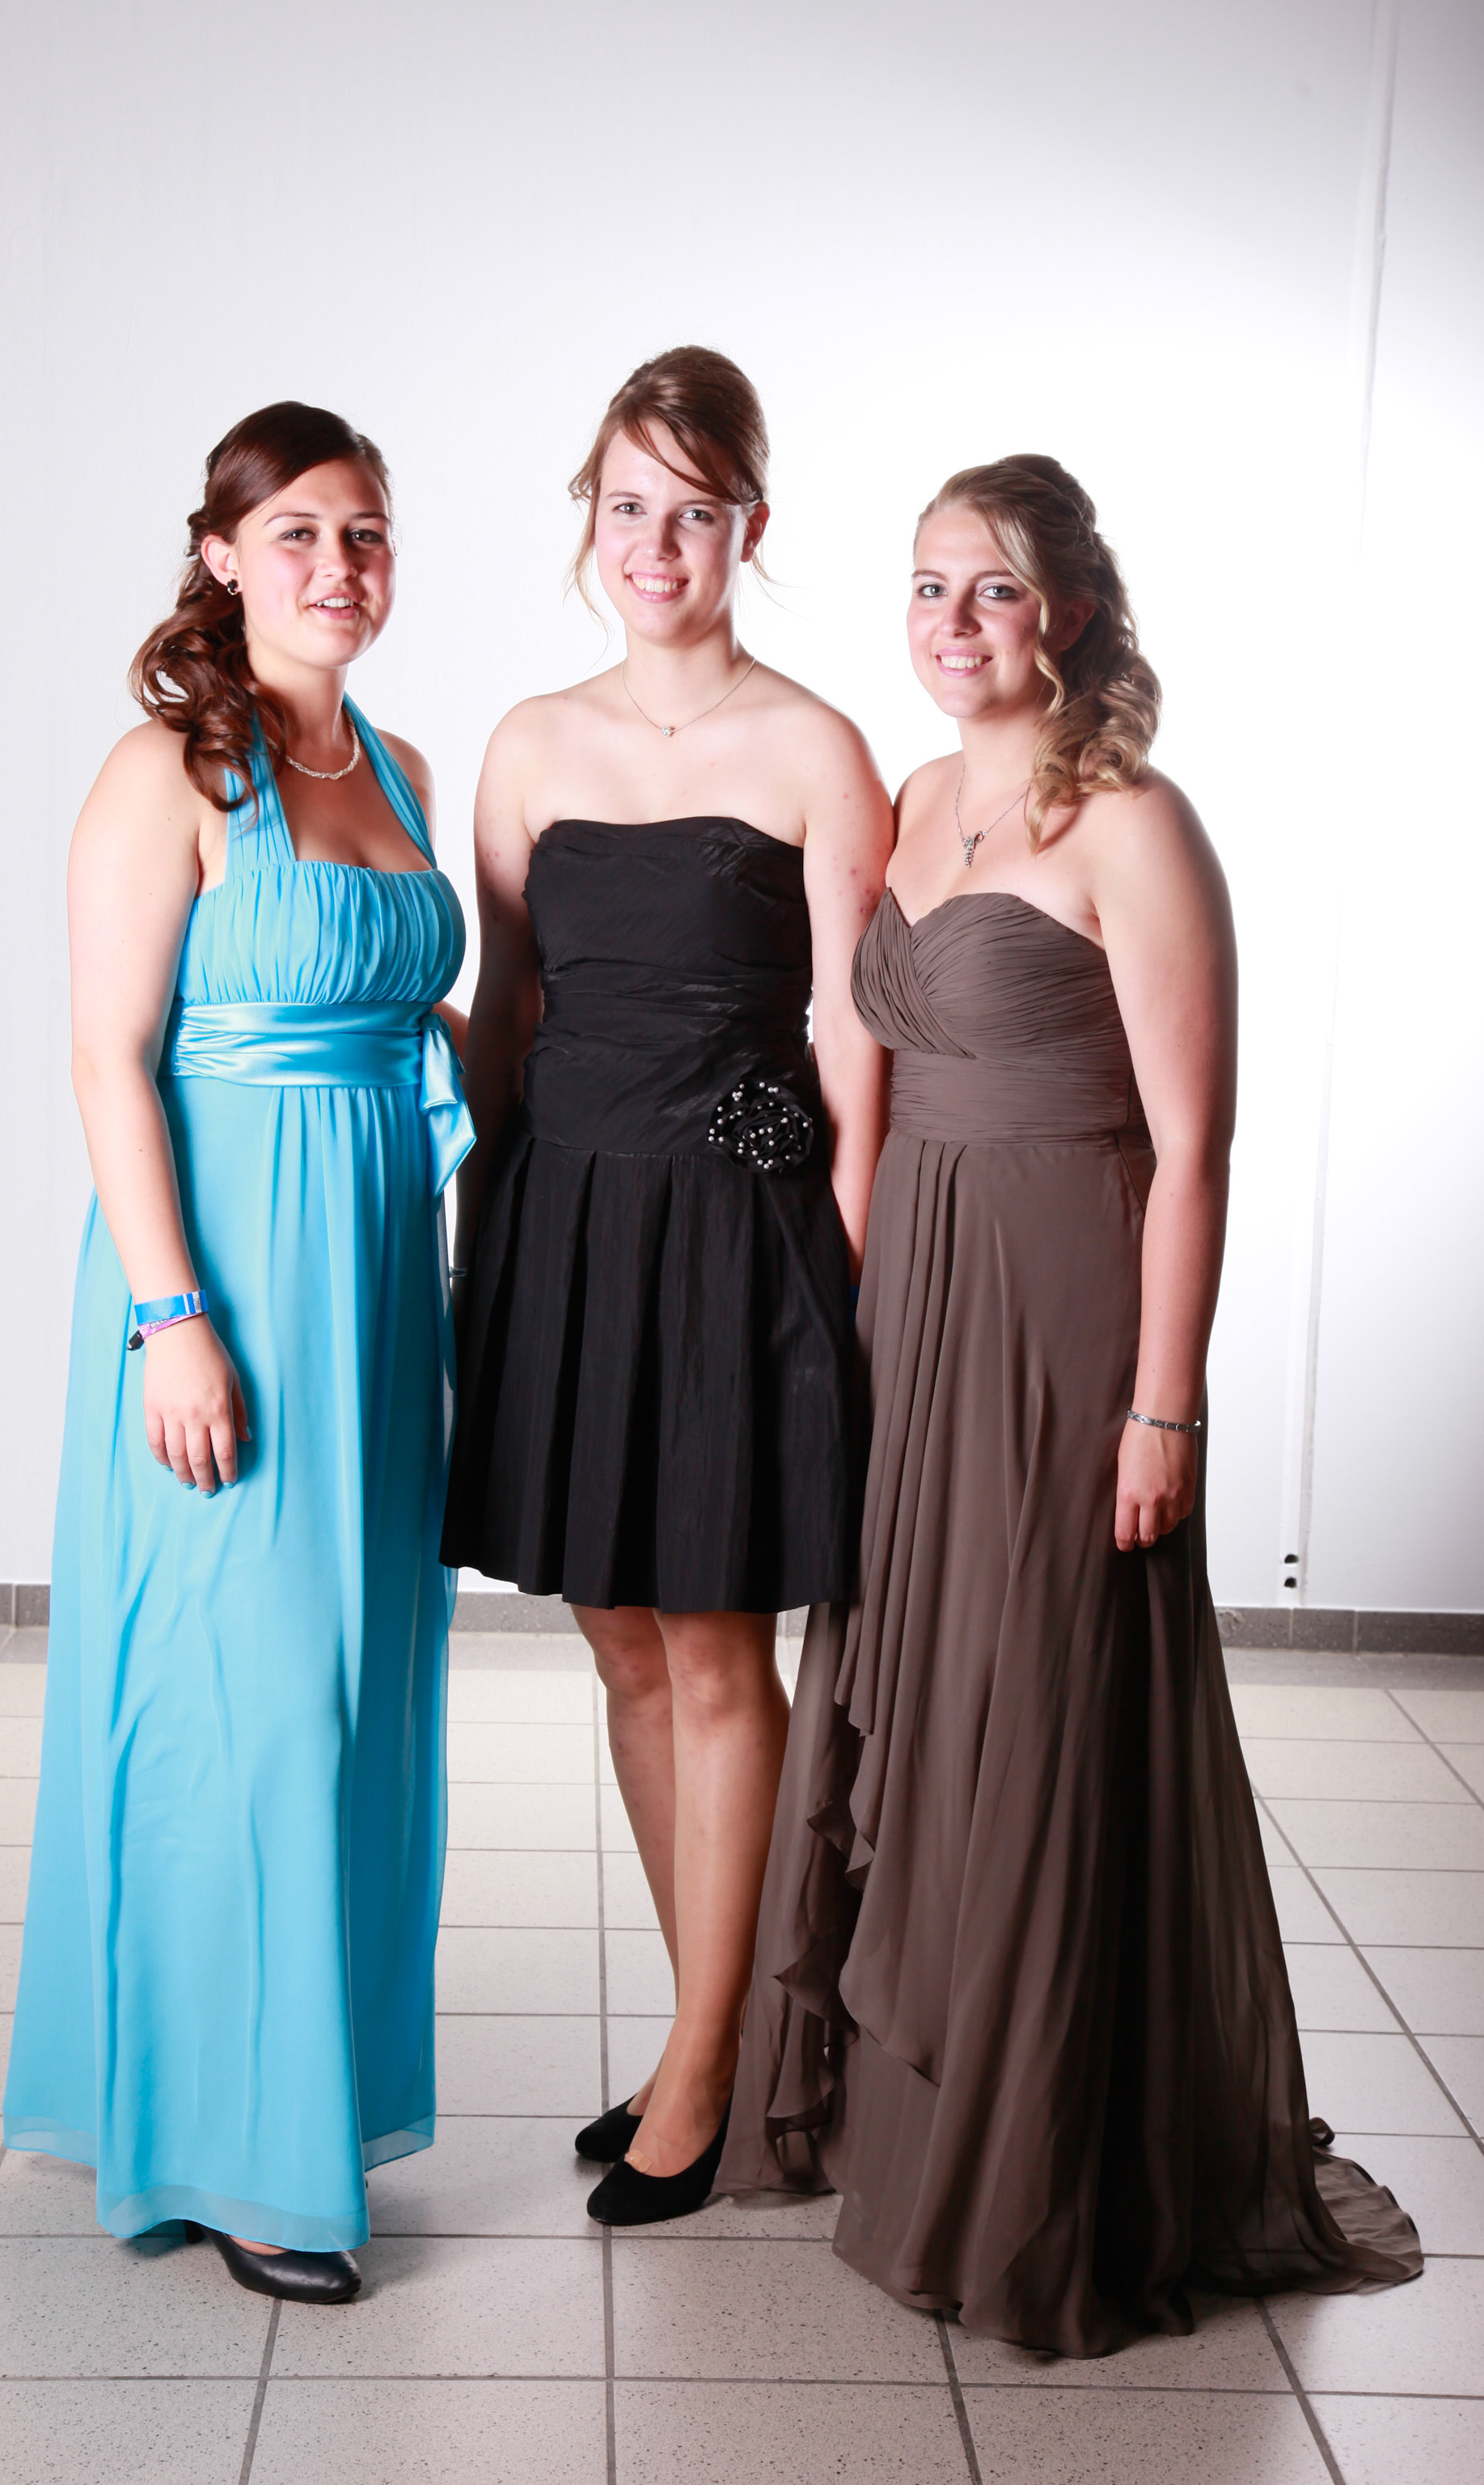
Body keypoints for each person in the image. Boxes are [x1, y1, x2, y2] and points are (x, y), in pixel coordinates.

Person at [719, 455, 1421, 2351]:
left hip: (1060, 1311)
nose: (951, 623)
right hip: (910, 1304)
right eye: (926, 585)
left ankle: (1031, 2180)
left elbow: (1193, 1149)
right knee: (915, 1684)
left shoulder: (1134, 825)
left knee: (1032, 1702)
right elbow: (856, 1085)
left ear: (1074, 614)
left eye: (994, 590)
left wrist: (1162, 1408)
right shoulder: (911, 797)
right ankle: (907, 2121)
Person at [4, 403, 472, 2304]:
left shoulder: (402, 768)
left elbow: (414, 1021)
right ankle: (234, 2154)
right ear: (221, 555)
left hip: (377, 1274)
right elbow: (109, 1058)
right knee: (234, 1700)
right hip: (222, 1278)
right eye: (298, 534)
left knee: (351, 1702)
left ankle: (283, 2100)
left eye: (365, 534)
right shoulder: (165, 771)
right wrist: (171, 1317)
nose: (337, 568)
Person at [442, 347, 892, 2224]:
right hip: (559, 1226)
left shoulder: (814, 749)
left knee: (713, 1646)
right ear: (592, 521)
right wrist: (466, 1228)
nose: (654, 543)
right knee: (618, 1637)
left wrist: (852, 1289)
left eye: (691, 512)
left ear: (746, 528)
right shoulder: (528, 743)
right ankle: (707, 2026)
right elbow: (509, 1015)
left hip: (731, 1244)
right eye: (626, 506)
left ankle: (709, 2071)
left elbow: (860, 1052)